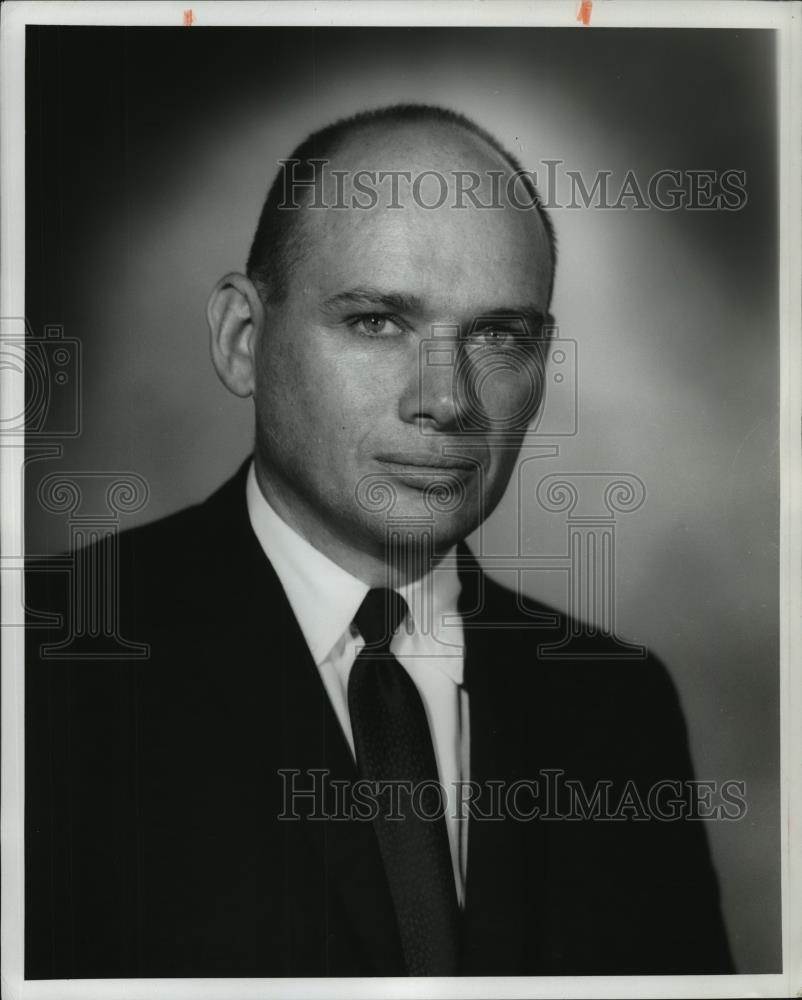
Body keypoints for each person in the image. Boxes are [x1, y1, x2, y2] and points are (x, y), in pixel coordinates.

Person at [25, 104, 734, 978]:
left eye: (497, 336)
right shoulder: (46, 660)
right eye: (377, 323)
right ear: (242, 339)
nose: (447, 400)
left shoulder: (618, 708)